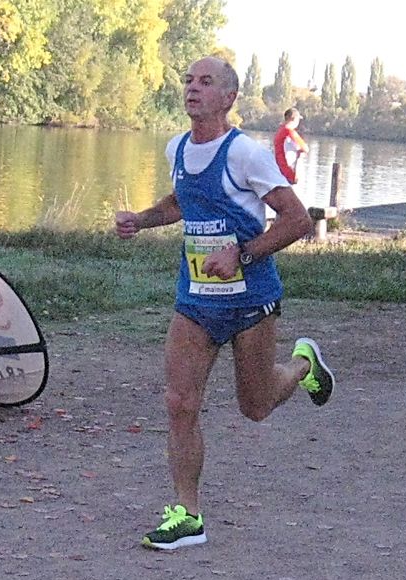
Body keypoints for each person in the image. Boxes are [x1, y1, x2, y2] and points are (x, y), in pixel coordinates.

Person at [114, 56, 335, 551]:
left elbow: (297, 220)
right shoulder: (177, 147)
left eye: (206, 82)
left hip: (250, 302)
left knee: (255, 407)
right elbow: (181, 201)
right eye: (188, 80)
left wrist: (242, 253)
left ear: (229, 98)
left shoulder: (246, 155)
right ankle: (187, 515)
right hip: (195, 301)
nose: (192, 88)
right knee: (179, 402)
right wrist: (141, 220)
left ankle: (303, 364)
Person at [273, 107, 309, 185]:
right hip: (288, 173)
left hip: (278, 170)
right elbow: (305, 148)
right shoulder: (290, 132)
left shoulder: (280, 131)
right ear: (294, 119)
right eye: (298, 120)